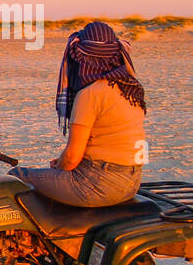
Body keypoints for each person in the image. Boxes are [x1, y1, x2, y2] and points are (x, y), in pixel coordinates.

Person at [9, 20, 146, 208]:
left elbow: (72, 158)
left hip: (99, 183)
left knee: (15, 177)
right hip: (131, 181)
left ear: (85, 60)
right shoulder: (131, 88)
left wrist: (60, 167)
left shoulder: (92, 93)